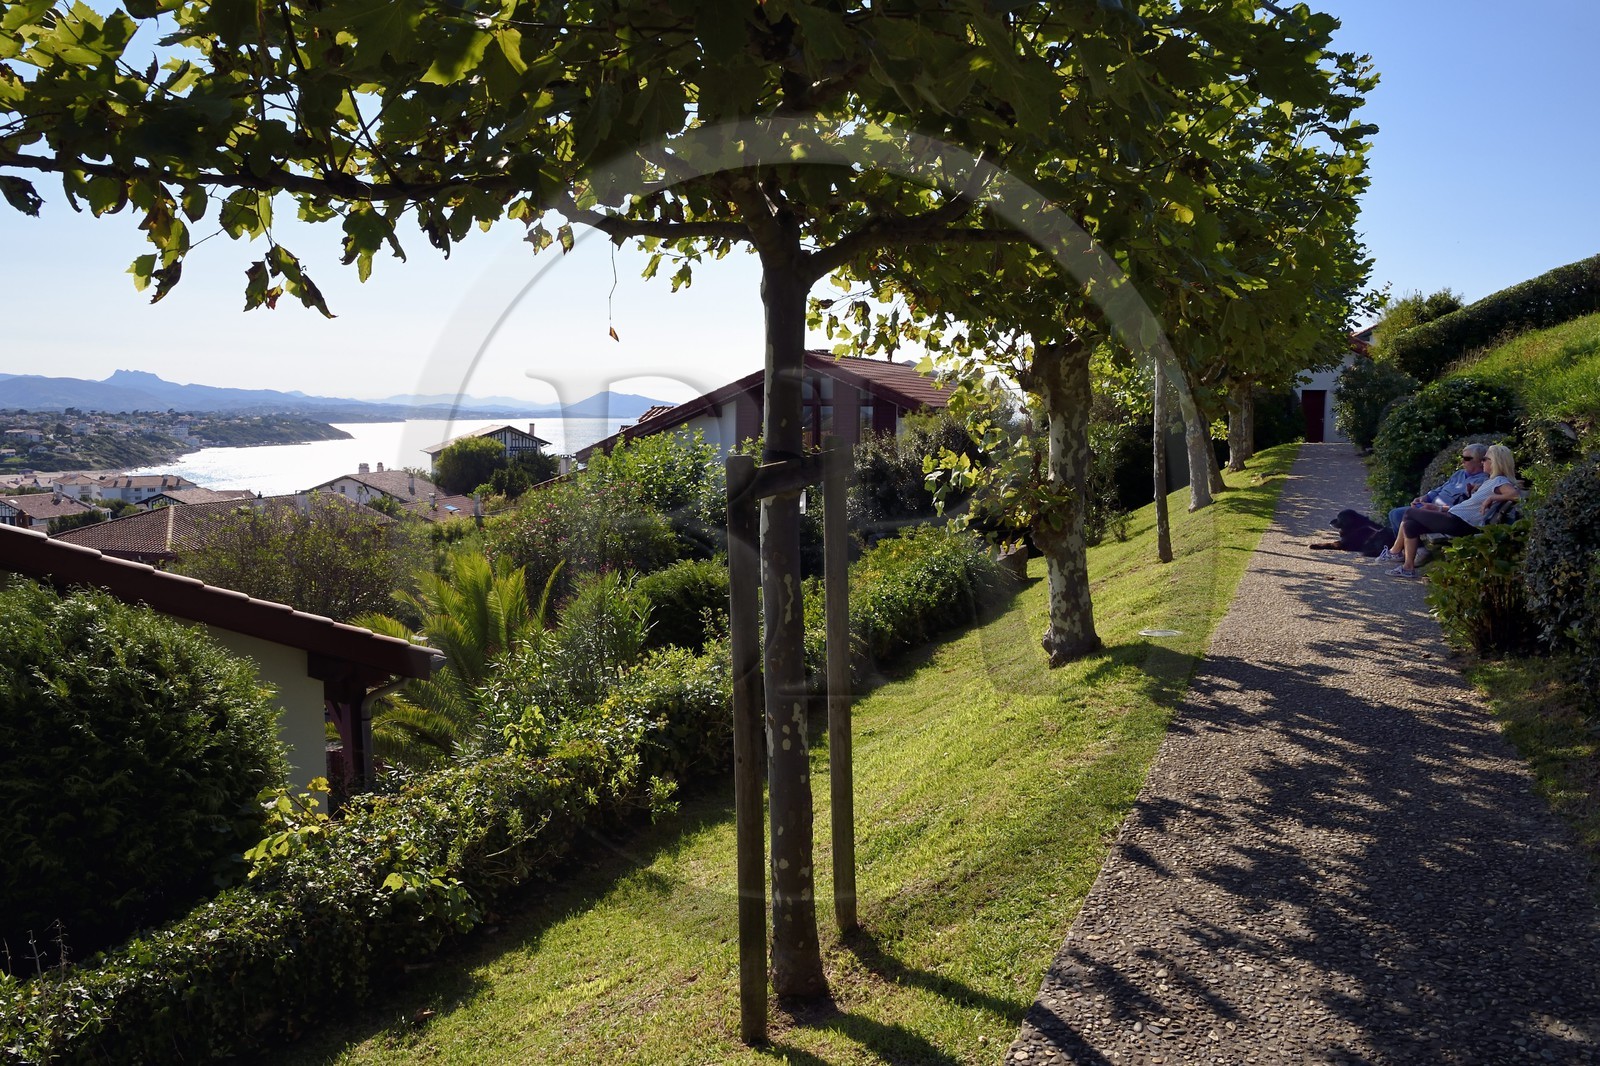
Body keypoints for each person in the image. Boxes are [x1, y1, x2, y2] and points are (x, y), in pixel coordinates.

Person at [1385, 444, 1520, 578]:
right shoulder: (1491, 481)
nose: (1482, 462)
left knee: (1410, 513)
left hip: (1463, 523)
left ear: (1495, 462)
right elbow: (1467, 506)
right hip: (1456, 517)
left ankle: (1395, 552)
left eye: (1485, 459)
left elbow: (1516, 495)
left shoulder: (1500, 481)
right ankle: (1408, 568)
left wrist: (1492, 497)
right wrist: (1437, 508)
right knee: (1411, 524)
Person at [1374, 443, 1489, 562]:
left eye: (1467, 458)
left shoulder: (1481, 482)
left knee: (1406, 515)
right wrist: (1425, 498)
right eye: (1462, 457)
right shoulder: (1459, 474)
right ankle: (1416, 550)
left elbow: (1465, 508)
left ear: (1480, 461)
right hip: (1429, 507)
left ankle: (1403, 552)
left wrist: (1436, 508)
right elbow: (1440, 489)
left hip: (1445, 514)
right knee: (1395, 514)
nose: (1462, 461)